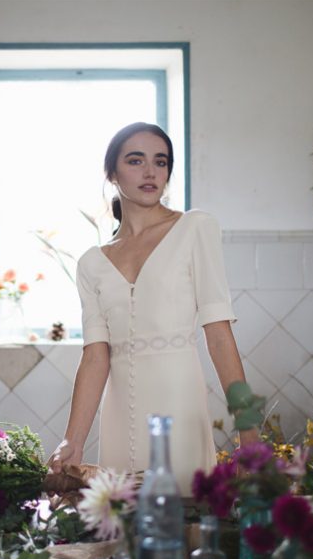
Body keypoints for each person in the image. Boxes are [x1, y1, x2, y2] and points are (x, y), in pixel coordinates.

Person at [49, 122, 257, 495]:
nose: (150, 172)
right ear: (112, 174)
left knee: (184, 517)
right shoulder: (92, 263)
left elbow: (220, 337)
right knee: (119, 521)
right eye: (135, 160)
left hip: (180, 407)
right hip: (118, 416)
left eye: (160, 162)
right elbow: (95, 357)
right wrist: (72, 440)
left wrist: (249, 431)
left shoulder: (195, 228)